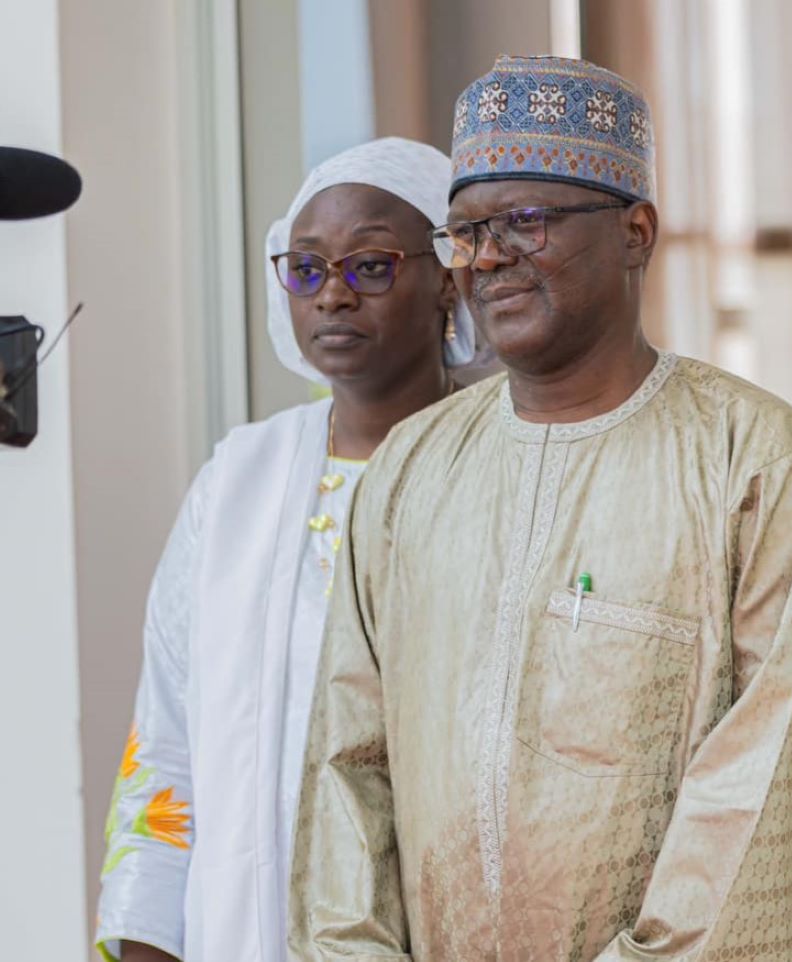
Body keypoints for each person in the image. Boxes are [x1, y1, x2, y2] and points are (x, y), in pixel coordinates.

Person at [287, 56, 792, 962]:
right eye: (467, 232)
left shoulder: (759, 464)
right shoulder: (410, 472)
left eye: (526, 221)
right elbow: (345, 771)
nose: (488, 258)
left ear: (636, 232)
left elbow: (771, 798)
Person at [94, 137, 477, 962]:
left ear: (447, 277)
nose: (333, 296)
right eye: (307, 270)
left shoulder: (498, 466)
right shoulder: (239, 477)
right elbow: (165, 741)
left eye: (370, 266)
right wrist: (143, 941)